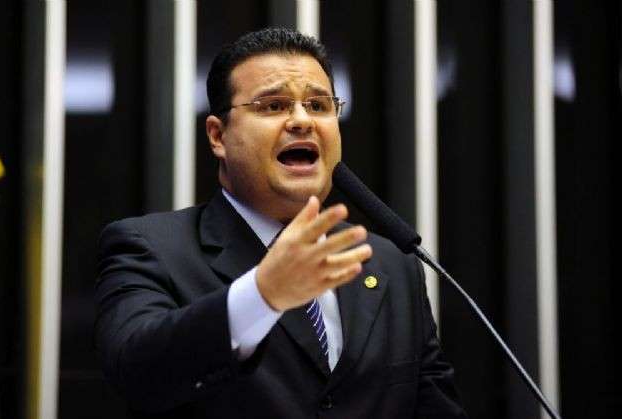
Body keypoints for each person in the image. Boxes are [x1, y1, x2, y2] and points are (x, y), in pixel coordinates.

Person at [95, 28, 467, 418]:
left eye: (319, 105)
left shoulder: (391, 263)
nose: (302, 121)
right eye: (273, 106)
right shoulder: (149, 248)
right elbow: (135, 370)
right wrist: (262, 294)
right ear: (218, 136)